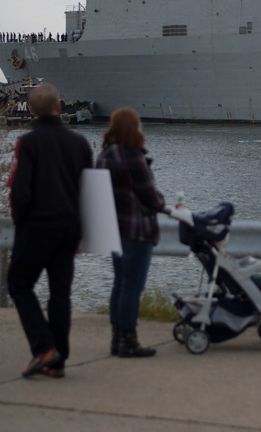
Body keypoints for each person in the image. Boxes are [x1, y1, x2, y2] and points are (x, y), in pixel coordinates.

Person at [8, 82, 93, 378]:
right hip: (69, 228)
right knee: (60, 294)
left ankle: (44, 347)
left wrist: (21, 226)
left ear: (31, 109)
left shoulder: (28, 143)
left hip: (36, 227)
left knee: (19, 284)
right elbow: (88, 194)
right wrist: (82, 233)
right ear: (59, 107)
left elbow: (20, 193)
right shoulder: (81, 144)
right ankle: (57, 357)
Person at [97, 107, 173, 358]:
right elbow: (150, 196)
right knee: (133, 285)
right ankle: (129, 340)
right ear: (134, 128)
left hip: (112, 229)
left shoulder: (104, 156)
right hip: (136, 230)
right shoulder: (133, 156)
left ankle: (116, 339)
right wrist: (166, 206)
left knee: (119, 283)